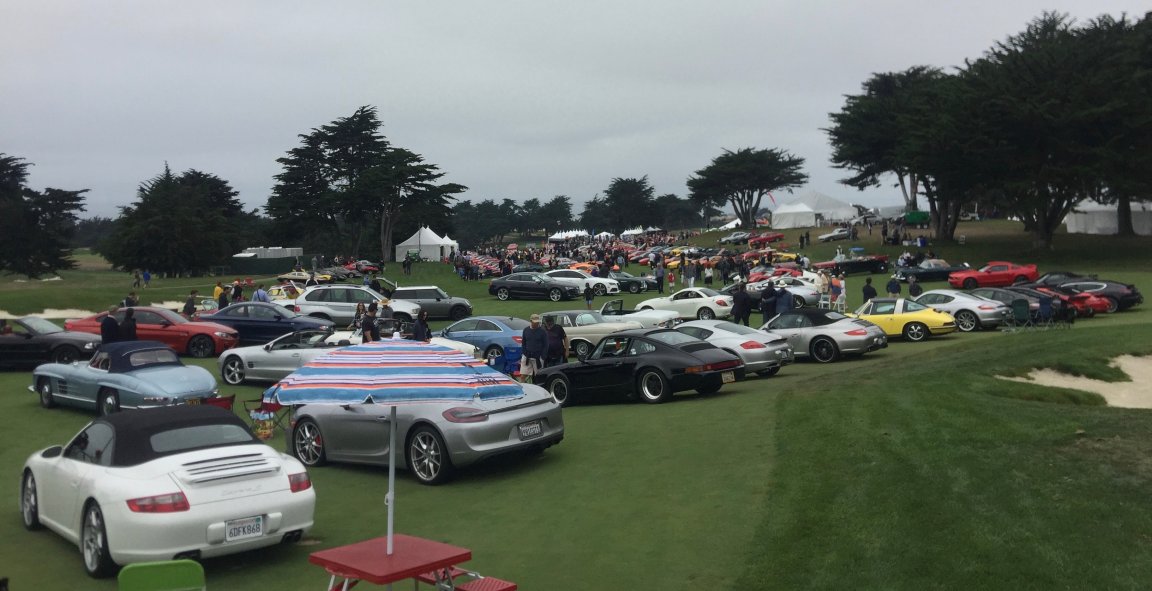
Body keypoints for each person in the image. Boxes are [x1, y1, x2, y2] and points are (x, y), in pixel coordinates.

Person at [520, 314, 548, 384]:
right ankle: (524, 389)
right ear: (531, 321)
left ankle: (538, 389)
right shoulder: (526, 330)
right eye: (535, 322)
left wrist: (543, 357)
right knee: (522, 376)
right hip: (527, 356)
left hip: (538, 357)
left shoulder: (542, 331)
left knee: (538, 376)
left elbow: (546, 345)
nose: (536, 323)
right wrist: (525, 353)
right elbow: (523, 343)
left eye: (537, 322)